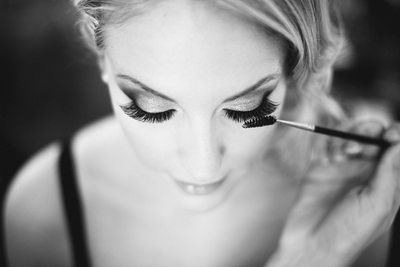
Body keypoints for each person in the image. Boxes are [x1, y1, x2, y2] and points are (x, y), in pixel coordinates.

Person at [3, 0, 400, 266]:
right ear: (102, 57)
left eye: (248, 107)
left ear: (290, 73)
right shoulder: (45, 212)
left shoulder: (351, 204)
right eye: (152, 108)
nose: (203, 166)